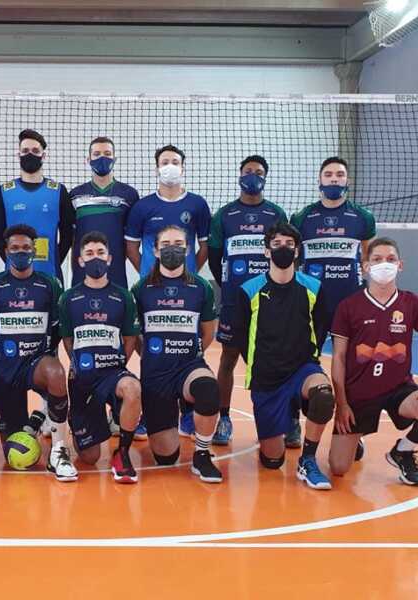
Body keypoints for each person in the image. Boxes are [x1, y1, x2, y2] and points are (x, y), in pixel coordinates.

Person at [328, 237, 418, 486]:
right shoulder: (349, 306)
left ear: (400, 265)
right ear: (365, 266)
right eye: (377, 259)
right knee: (338, 468)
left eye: (391, 259)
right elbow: (338, 357)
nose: (385, 264)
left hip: (398, 390)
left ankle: (403, 451)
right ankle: (356, 436)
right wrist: (341, 403)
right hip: (358, 394)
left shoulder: (412, 303)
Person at [234, 222, 335, 490]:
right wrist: (261, 364)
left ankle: (308, 459)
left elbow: (321, 328)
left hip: (302, 369)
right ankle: (284, 420)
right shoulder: (249, 290)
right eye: (277, 244)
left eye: (289, 245)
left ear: (297, 251)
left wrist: (309, 359)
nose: (283, 249)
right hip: (267, 378)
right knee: (272, 461)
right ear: (266, 252)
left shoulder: (313, 288)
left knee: (323, 393)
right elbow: (242, 337)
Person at [290, 157, 376, 450]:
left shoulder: (362, 218)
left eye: (340, 175)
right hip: (313, 305)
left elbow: (368, 260)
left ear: (347, 181)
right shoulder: (302, 218)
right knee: (302, 360)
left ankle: (353, 428)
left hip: (350, 305)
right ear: (320, 180)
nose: (334, 179)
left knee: (353, 366)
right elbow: (294, 259)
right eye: (329, 174)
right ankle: (293, 420)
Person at [0, 224, 75, 481]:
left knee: (56, 371)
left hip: (37, 364)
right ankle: (36, 420)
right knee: (16, 455)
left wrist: (45, 354)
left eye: (25, 248)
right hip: (6, 372)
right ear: (6, 251)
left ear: (34, 250)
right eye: (14, 248)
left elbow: (56, 329)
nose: (20, 252)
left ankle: (59, 449)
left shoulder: (50, 284)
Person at [133, 225, 223, 483]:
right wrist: (150, 356)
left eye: (179, 244)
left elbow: (207, 332)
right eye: (166, 244)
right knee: (165, 457)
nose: (172, 248)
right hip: (155, 374)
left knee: (208, 388)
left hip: (188, 367)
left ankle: (202, 455)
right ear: (155, 250)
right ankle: (168, 416)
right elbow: (135, 335)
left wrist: (190, 355)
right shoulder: (141, 289)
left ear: (187, 249)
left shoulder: (201, 287)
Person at [207, 154, 286, 446]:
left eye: (258, 172)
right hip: (234, 302)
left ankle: (282, 420)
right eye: (248, 171)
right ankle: (224, 419)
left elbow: (283, 255)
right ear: (239, 175)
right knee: (228, 358)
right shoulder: (224, 215)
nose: (253, 175)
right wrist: (232, 285)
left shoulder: (276, 214)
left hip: (268, 301)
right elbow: (216, 259)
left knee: (271, 361)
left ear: (265, 177)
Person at [60, 231, 143, 483]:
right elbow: (67, 339)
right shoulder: (69, 298)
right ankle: (95, 421)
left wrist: (117, 364)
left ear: (109, 259)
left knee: (132, 388)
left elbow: (129, 337)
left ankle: (123, 453)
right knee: (89, 457)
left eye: (100, 253)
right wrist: (78, 364)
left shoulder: (123, 296)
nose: (95, 258)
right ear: (80, 260)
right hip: (83, 378)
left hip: (112, 373)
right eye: (89, 253)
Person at [0, 129, 74, 281]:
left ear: (44, 155)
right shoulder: (5, 191)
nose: (30, 154)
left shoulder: (58, 191)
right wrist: (14, 261)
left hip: (50, 274)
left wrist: (54, 261)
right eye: (25, 150)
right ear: (18, 155)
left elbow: (68, 235)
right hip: (13, 275)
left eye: (35, 151)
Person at [125, 144, 211, 278]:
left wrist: (191, 272)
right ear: (157, 170)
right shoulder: (142, 206)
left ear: (182, 169)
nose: (170, 166)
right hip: (151, 284)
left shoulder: (198, 204)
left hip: (187, 282)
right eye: (165, 163)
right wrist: (148, 274)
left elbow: (205, 247)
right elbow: (131, 249)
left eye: (175, 163)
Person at [68, 136, 139, 289]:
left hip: (116, 271)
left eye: (107, 154)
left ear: (115, 158)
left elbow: (132, 240)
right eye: (97, 154)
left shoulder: (130, 194)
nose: (102, 158)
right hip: (82, 273)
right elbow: (72, 238)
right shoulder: (75, 195)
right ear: (88, 159)